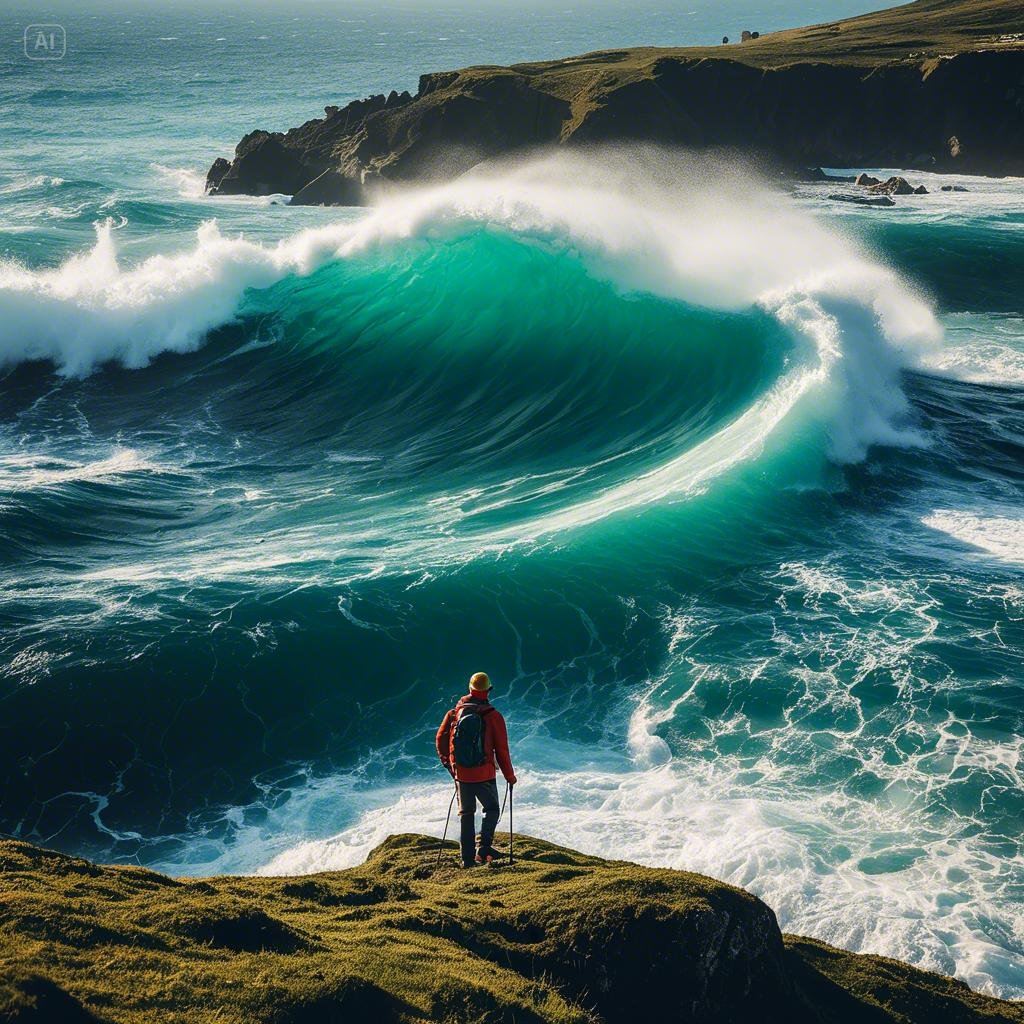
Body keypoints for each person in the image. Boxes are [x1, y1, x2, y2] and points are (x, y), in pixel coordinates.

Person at [435, 672, 517, 867]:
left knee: (466, 814)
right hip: (484, 774)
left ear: (470, 689)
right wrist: (510, 776)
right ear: (488, 690)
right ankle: (484, 848)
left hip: (461, 774)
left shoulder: (454, 714)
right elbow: (502, 750)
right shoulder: (493, 716)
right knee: (491, 809)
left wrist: (450, 766)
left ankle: (467, 859)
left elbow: (440, 740)